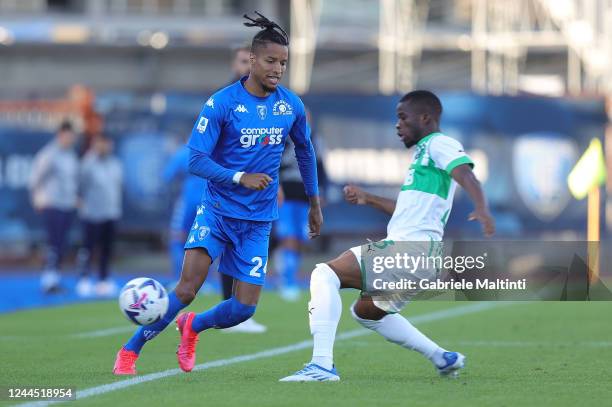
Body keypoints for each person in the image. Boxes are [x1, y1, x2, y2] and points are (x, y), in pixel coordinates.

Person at [113, 11, 323, 375]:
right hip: (217, 212)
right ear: (252, 60)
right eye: (271, 61)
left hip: (258, 221)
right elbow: (195, 160)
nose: (277, 69)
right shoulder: (222, 103)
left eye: (284, 63)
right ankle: (130, 350)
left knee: (243, 309)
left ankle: (192, 326)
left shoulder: (291, 105)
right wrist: (240, 177)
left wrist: (314, 202)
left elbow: (305, 151)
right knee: (187, 287)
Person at [280, 90, 495, 382]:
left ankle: (321, 366)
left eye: (403, 118)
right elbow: (405, 209)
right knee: (366, 312)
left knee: (324, 275)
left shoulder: (440, 144)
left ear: (426, 118)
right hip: (422, 257)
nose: (398, 125)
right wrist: (369, 198)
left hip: (409, 250)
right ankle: (443, 358)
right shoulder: (423, 155)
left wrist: (481, 207)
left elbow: (466, 174)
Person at [162, 44, 268, 334]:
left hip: (241, 193)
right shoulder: (223, 100)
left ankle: (226, 309)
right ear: (234, 64)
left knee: (232, 250)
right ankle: (182, 296)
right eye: (242, 61)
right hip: (214, 194)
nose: (247, 66)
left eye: (251, 61)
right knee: (194, 244)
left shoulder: (267, 100)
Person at [274, 109, 328, 301]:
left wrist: (323, 191)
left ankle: (288, 272)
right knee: (288, 237)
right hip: (286, 195)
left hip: (306, 197)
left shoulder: (315, 139)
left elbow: (321, 167)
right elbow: (273, 164)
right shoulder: (283, 138)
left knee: (299, 239)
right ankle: (288, 281)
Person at [29, 120, 79, 294]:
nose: (70, 139)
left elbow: (72, 181)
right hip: (52, 203)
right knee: (53, 242)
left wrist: (74, 198)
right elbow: (36, 178)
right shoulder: (49, 154)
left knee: (61, 243)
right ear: (60, 135)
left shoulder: (70, 155)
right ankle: (48, 279)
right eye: (68, 135)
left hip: (66, 204)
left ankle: (55, 277)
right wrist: (38, 199)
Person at [75, 136, 123, 297]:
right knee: (88, 248)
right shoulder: (87, 163)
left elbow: (118, 187)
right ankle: (84, 279)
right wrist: (82, 204)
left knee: (106, 249)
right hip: (92, 213)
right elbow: (79, 186)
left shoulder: (115, 164)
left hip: (110, 212)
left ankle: (103, 279)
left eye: (107, 143)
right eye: (101, 143)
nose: (104, 147)